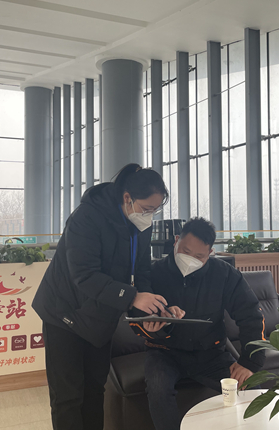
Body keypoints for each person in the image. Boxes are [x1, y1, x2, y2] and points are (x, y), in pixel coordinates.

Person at [32, 163, 178, 430]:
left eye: (155, 210)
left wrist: (149, 310)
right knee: (68, 397)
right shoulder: (87, 217)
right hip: (64, 313)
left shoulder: (140, 225)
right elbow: (84, 275)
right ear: (127, 198)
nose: (149, 216)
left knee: (95, 391)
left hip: (101, 315)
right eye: (147, 208)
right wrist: (132, 297)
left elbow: (142, 271)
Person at [130, 217, 266, 430]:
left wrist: (250, 362)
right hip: (164, 353)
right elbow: (135, 317)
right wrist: (152, 329)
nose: (190, 259)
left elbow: (251, 315)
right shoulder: (153, 273)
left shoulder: (225, 274)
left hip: (210, 354)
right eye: (185, 251)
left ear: (210, 253)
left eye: (199, 256)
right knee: (157, 388)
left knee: (250, 388)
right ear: (176, 240)